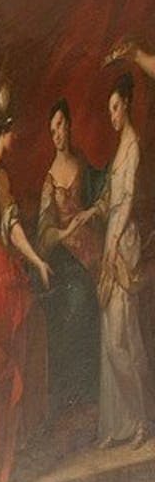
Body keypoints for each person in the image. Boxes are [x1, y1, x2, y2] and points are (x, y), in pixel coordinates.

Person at [0, 109, 53, 482]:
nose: (18, 138)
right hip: (4, 286)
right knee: (9, 374)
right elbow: (13, 230)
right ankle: (6, 473)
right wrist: (37, 261)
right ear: (5, 132)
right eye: (15, 131)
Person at [36, 98, 106, 416]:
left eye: (61, 125)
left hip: (93, 249)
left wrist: (90, 216)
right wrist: (64, 234)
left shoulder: (83, 165)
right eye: (53, 130)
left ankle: (96, 394)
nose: (58, 134)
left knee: (100, 312)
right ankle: (77, 395)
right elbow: (44, 233)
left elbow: (100, 198)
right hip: (67, 257)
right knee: (77, 307)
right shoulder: (50, 180)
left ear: (70, 125)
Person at [97, 71, 151, 447]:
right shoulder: (120, 147)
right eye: (110, 110)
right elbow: (112, 199)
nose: (112, 115)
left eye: (116, 108)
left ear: (127, 104)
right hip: (111, 241)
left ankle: (143, 420)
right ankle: (123, 423)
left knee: (124, 338)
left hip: (124, 243)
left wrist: (114, 247)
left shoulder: (132, 146)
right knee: (110, 335)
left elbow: (128, 201)